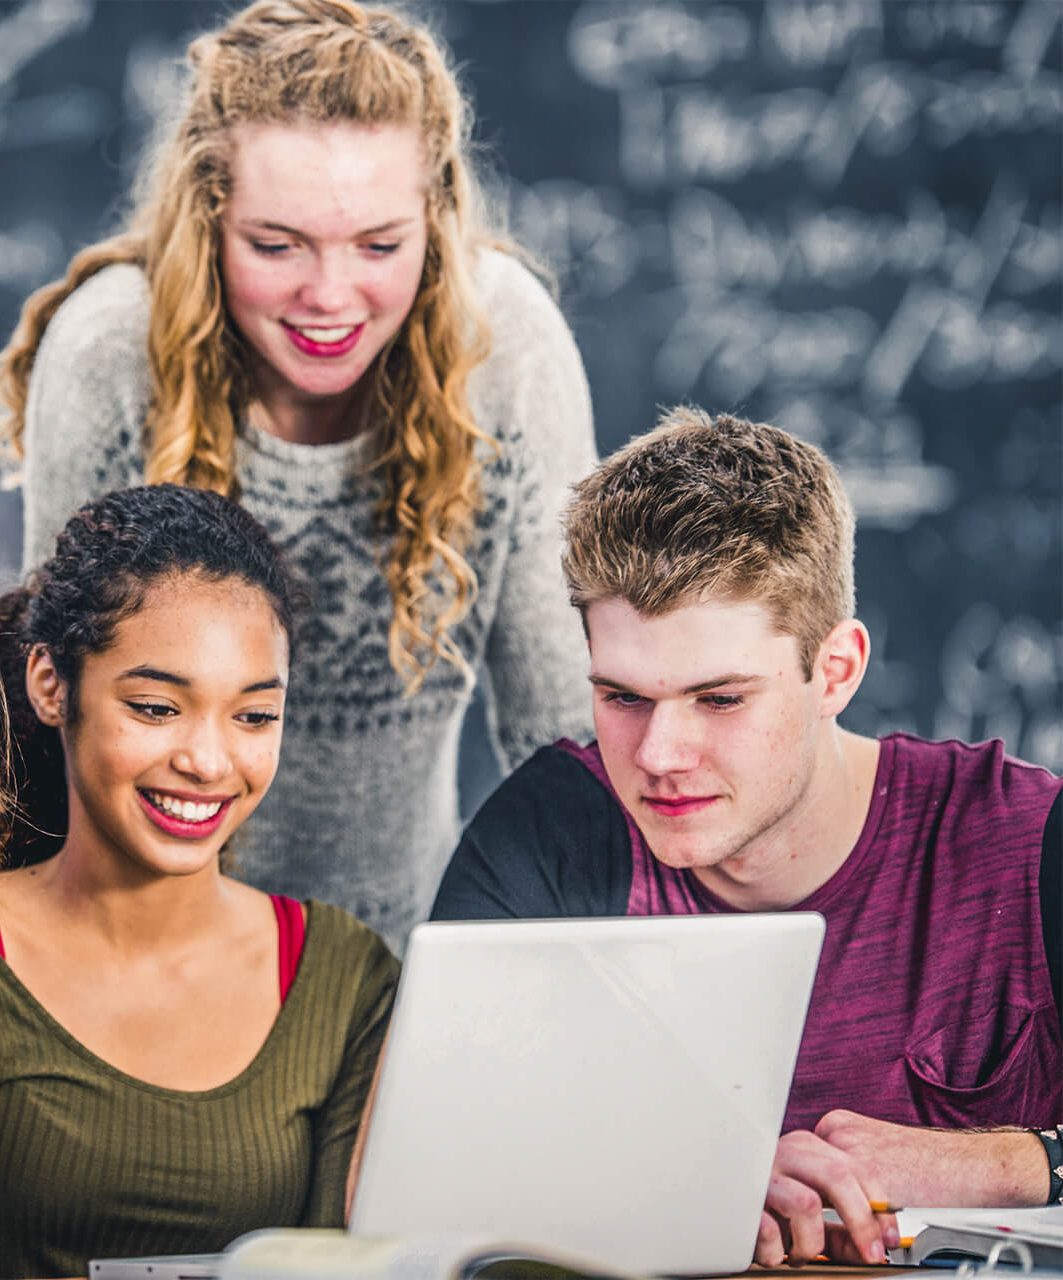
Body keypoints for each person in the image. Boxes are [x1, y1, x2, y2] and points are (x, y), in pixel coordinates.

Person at [0, 0, 596, 938]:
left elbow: (565, 737)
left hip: (404, 965)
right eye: (276, 246)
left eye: (381, 246)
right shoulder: (109, 348)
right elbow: (58, 725)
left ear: (437, 219)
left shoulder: (505, 345)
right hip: (147, 955)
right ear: (209, 214)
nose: (330, 296)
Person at [431, 407, 1063, 1267]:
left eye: (720, 700)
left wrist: (1005, 1163)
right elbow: (429, 1175)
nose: (659, 755)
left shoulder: (1029, 842)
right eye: (622, 697)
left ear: (834, 671)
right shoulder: (551, 831)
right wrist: (688, 1178)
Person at [0, 485, 399, 1280]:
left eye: (253, 717)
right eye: (155, 707)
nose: (208, 762)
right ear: (51, 685)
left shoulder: (346, 977)